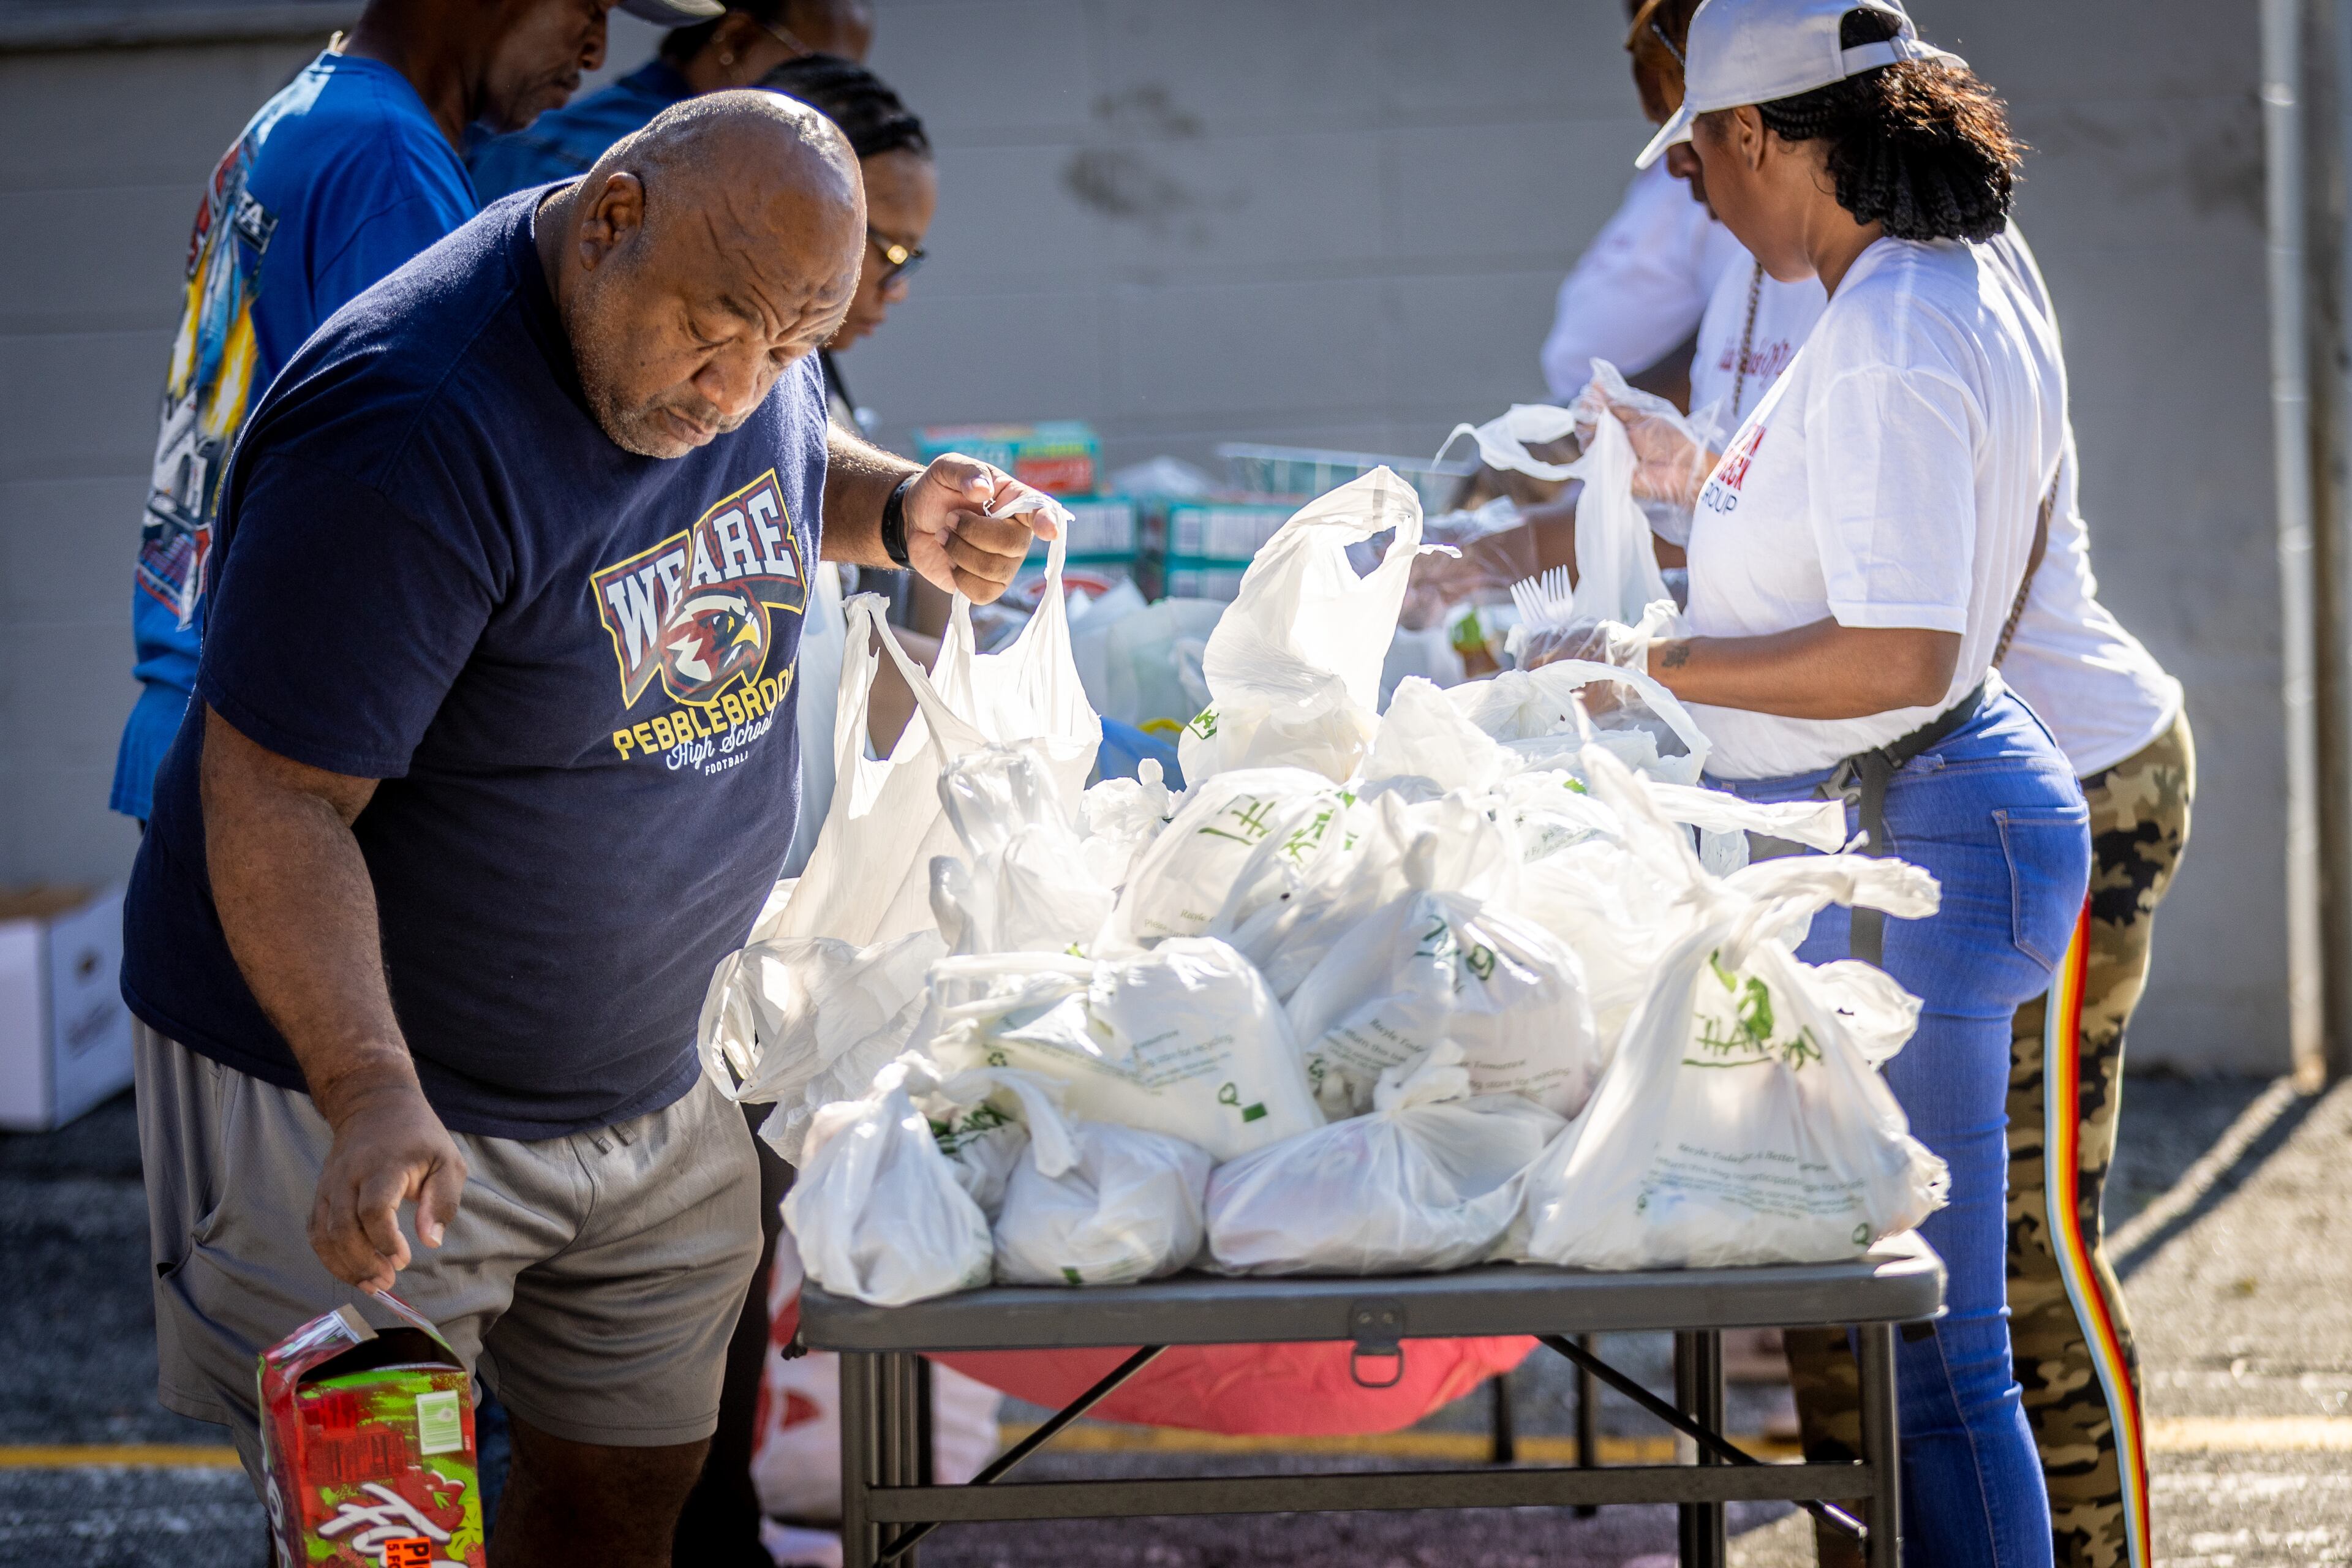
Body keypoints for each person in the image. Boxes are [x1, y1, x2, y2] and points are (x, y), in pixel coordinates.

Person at [123, 92, 1057, 1565]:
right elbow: (276, 796)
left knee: (633, 1501)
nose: (738, 384)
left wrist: (898, 511)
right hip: (372, 1090)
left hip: (649, 1077)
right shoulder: (408, 427)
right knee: (388, 1538)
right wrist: (368, 1088)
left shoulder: (738, 333)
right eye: (720, 325)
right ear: (611, 219)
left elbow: (779, 471)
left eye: (790, 345)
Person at [1602, 6, 2192, 1564]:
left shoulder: (1886, 326)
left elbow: (1895, 652)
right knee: (1924, 1332)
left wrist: (1639, 665)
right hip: (1935, 807)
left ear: (1751, 134)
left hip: (1927, 815)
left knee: (1939, 1335)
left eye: (1695, 156)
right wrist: (1683, 488)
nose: (1696, 197)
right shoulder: (1925, 280)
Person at [109, 0, 639, 831]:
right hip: (285, 755)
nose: (599, 47)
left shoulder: (305, 115)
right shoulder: (387, 162)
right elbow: (429, 493)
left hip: (208, 710)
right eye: (590, 2)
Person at [669, 55, 947, 1566]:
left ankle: (719, 1522)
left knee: (735, 1246)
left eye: (906, 257)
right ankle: (704, 1530)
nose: (886, 282)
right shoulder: (706, 366)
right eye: (874, 249)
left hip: (776, 877)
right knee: (688, 1270)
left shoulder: (798, 375)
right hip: (702, 891)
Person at [468, 0, 875, 201]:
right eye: (819, 71)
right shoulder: (644, 174)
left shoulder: (542, 141)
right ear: (737, 40)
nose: (829, 104)